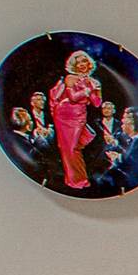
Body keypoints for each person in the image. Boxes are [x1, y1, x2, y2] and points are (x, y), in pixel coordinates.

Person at [47, 50, 105, 191]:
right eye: (78, 62)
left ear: (89, 63)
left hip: (79, 115)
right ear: (74, 66)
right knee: (69, 148)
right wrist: (87, 90)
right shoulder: (71, 78)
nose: (81, 64)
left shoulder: (94, 82)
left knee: (74, 148)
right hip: (64, 114)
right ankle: (76, 181)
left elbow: (97, 103)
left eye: (84, 61)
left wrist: (95, 89)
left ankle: (78, 179)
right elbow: (73, 97)